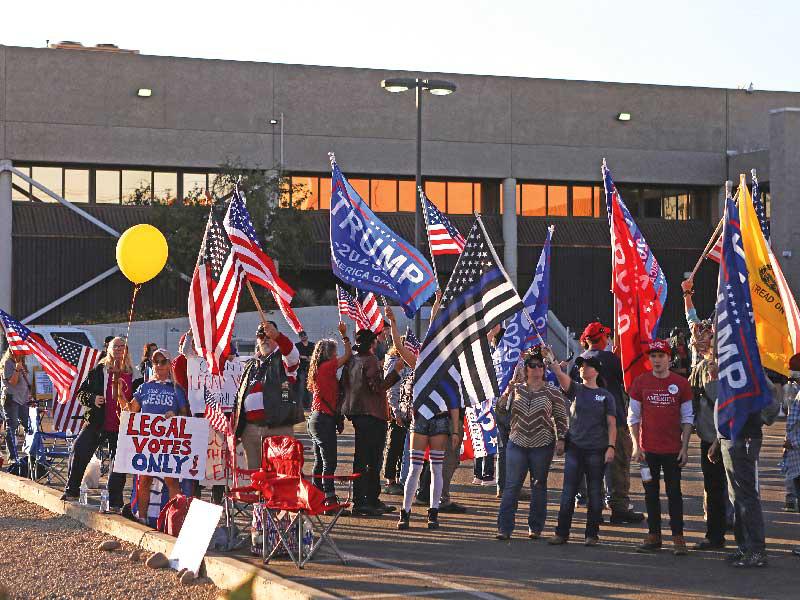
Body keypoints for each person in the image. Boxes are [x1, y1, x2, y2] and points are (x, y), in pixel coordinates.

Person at [385, 294, 458, 530]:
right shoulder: (418, 363)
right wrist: (393, 323)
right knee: (415, 468)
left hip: (440, 420)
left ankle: (433, 512)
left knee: (435, 468)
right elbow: (398, 346)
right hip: (421, 419)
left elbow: (453, 400)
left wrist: (456, 429)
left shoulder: (447, 367)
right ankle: (405, 512)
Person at [570, 321, 643, 524]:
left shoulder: (579, 361)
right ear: (603, 337)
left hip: (587, 423)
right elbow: (627, 382)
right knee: (617, 466)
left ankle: (595, 509)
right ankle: (618, 507)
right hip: (613, 419)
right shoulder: (610, 359)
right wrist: (621, 358)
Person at [628, 339, 694, 555]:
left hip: (673, 450)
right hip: (647, 451)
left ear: (669, 358)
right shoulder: (640, 382)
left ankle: (678, 537)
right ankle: (654, 535)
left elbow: (687, 418)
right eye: (653, 356)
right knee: (650, 493)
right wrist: (636, 446)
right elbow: (633, 417)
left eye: (661, 356)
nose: (657, 360)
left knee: (674, 493)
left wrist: (685, 447)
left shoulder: (681, 383)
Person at [710, 369, 779, 568]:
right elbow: (724, 404)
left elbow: (771, 401)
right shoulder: (732, 365)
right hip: (729, 437)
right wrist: (718, 440)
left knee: (746, 495)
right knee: (736, 497)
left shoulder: (749, 366)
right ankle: (744, 547)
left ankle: (756, 550)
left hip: (744, 437)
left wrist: (756, 420)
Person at [496, 348, 568, 540]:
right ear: (525, 369)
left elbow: (561, 418)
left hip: (542, 444)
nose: (536, 369)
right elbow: (501, 410)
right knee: (512, 486)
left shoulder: (552, 391)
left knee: (538, 485)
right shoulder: (516, 389)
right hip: (517, 442)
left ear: (544, 369)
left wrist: (561, 439)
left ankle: (535, 527)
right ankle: (504, 528)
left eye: (540, 366)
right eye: (532, 366)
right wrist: (508, 390)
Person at [548, 354, 616, 546]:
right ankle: (561, 533)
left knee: (595, 493)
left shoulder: (606, 396)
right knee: (568, 492)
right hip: (575, 449)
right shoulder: (576, 389)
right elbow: (560, 375)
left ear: (596, 371)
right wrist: (552, 362)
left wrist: (611, 447)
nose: (582, 368)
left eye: (587, 366)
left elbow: (611, 424)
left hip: (597, 450)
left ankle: (591, 535)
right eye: (581, 366)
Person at [62, 337, 133, 511]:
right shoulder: (99, 370)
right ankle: (72, 491)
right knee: (79, 449)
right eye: (115, 346)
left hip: (122, 425)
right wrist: (93, 398)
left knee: (118, 464)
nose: (119, 349)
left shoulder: (133, 373)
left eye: (122, 346)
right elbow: (81, 393)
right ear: (108, 349)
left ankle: (115, 502)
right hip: (97, 421)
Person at [681, 278, 726, 550]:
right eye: (697, 335)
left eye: (705, 334)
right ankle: (716, 530)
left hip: (722, 429)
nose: (699, 337)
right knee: (712, 484)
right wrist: (687, 294)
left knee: (728, 485)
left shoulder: (721, 361)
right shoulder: (698, 356)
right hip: (705, 427)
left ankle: (729, 530)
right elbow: (691, 319)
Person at [341, 326, 403, 516]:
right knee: (373, 460)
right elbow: (378, 387)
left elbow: (344, 385)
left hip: (358, 414)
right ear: (372, 344)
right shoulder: (370, 360)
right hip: (373, 415)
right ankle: (367, 501)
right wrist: (396, 372)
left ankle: (364, 500)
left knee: (361, 459)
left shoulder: (352, 361)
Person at [130, 348, 190, 521]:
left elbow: (185, 415)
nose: (159, 365)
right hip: (147, 441)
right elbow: (130, 411)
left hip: (168, 442)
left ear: (170, 364)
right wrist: (118, 390)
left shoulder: (176, 389)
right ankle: (142, 518)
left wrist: (175, 415)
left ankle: (173, 521)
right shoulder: (144, 387)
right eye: (155, 362)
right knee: (144, 480)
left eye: (163, 361)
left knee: (171, 481)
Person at [235, 321, 301, 469]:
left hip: (277, 426)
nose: (264, 338)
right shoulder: (250, 364)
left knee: (280, 473)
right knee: (254, 473)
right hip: (250, 428)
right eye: (261, 335)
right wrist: (237, 427)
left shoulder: (284, 358)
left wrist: (278, 336)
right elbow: (240, 395)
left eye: (268, 335)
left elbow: (293, 355)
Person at [306, 323, 351, 507]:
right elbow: (348, 356)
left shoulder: (317, 369)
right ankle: (329, 499)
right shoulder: (328, 367)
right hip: (324, 419)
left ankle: (317, 496)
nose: (336, 354)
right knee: (329, 462)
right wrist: (345, 335)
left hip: (315, 419)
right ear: (329, 353)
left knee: (319, 461)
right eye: (334, 351)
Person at [384, 342, 411, 495]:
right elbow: (392, 391)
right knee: (394, 446)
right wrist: (396, 413)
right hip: (398, 412)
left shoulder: (404, 364)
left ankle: (400, 479)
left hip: (405, 412)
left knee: (402, 448)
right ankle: (390, 481)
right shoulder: (395, 363)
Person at [1, 349, 31, 461]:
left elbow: (24, 383)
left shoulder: (21, 362)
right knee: (12, 427)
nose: (22, 353)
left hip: (23, 399)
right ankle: (13, 456)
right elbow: (12, 382)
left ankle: (31, 453)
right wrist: (17, 369)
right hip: (12, 398)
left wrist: (29, 394)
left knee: (28, 425)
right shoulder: (8, 363)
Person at [295, 331, 315, 410]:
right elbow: (296, 355)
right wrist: (303, 357)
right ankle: (302, 406)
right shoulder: (297, 345)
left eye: (304, 335)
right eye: (301, 336)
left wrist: (310, 358)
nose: (303, 337)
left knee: (311, 387)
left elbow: (315, 355)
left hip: (310, 369)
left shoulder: (312, 345)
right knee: (302, 387)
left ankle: (311, 405)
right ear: (300, 337)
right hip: (301, 369)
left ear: (306, 336)